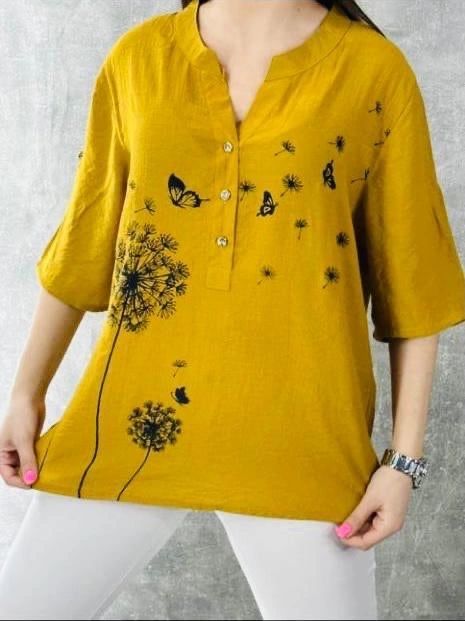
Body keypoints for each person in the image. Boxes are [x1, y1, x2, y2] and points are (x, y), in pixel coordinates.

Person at [1, 0, 464, 619]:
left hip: (304, 446)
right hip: (126, 426)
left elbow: (415, 282)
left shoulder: (373, 71)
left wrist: (403, 464)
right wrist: (25, 393)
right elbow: (86, 242)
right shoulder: (139, 60)